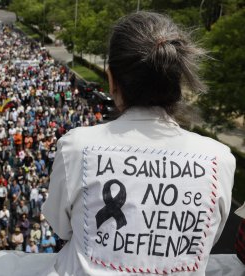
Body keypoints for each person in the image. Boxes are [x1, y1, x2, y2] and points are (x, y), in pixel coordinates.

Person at [43, 12, 236, 275]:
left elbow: (60, 226)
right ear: (177, 81)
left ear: (112, 80)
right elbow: (203, 241)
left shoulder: (77, 146)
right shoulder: (220, 158)